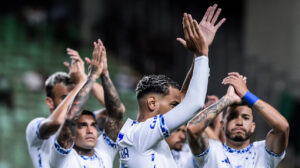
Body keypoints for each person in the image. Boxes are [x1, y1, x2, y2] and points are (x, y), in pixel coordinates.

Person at [116, 6, 220, 165]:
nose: (178, 110)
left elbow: (185, 99)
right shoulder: (140, 135)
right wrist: (202, 54)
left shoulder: (140, 135)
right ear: (152, 103)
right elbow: (194, 103)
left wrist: (197, 56)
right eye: (173, 105)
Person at [187, 72, 289, 168]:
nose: (239, 122)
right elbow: (192, 129)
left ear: (253, 126)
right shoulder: (212, 150)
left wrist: (246, 94)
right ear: (222, 124)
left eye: (245, 118)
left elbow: (283, 127)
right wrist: (228, 99)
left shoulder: (264, 152)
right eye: (232, 117)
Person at [50, 39, 125, 168]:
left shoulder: (105, 151)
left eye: (93, 125)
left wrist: (105, 74)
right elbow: (71, 118)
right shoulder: (61, 157)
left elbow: (117, 113)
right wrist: (91, 78)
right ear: (72, 133)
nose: (90, 131)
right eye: (83, 126)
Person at [26, 46, 105, 168]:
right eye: (65, 98)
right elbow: (57, 122)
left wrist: (87, 78)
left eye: (74, 96)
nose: (71, 102)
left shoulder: (83, 125)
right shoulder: (34, 126)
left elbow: (114, 111)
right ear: (50, 102)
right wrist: (81, 83)